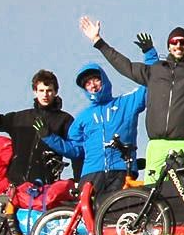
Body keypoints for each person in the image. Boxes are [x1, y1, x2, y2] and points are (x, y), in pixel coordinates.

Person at [85, 17, 184, 181]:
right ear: (169, 46)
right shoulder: (155, 71)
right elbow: (125, 65)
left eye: (182, 42)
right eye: (174, 42)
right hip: (157, 145)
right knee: (153, 197)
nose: (178, 46)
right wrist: (99, 42)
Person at [42, 62, 148, 204]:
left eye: (95, 80)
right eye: (87, 84)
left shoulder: (126, 103)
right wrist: (49, 137)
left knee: (118, 215)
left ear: (104, 80)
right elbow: (75, 150)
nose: (92, 85)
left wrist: (149, 54)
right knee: (87, 219)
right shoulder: (82, 118)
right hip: (91, 174)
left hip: (121, 170)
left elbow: (150, 82)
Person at [0, 71, 73, 185]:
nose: (45, 95)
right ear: (35, 92)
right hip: (16, 186)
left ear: (55, 92)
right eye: (41, 91)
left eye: (49, 91)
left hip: (46, 186)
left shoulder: (65, 120)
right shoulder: (20, 118)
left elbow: (76, 151)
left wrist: (79, 181)